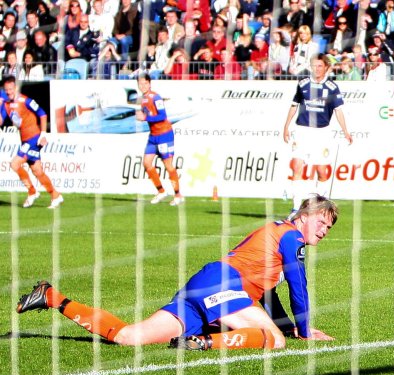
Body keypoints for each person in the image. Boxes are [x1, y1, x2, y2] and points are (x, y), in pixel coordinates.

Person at [16, 196, 339, 350]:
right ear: (304, 216)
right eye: (322, 222)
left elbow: (267, 294)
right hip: (222, 285)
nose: (325, 230)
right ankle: (203, 342)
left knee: (130, 337)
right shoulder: (292, 236)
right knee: (275, 341)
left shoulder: (278, 232)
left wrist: (289, 323)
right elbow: (299, 285)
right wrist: (305, 328)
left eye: (329, 226)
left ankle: (52, 297)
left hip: (207, 284)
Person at [283, 53, 353, 216]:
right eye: (314, 65)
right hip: (302, 130)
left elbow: (338, 111)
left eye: (320, 66)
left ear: (326, 67)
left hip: (321, 133)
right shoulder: (303, 84)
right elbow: (294, 105)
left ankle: (321, 204)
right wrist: (286, 126)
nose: (316, 69)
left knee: (322, 171)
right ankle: (295, 208)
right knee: (297, 166)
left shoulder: (332, 87)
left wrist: (346, 131)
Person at [4, 74, 63, 209]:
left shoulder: (26, 101)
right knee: (37, 171)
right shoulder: (7, 105)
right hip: (25, 140)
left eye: (11, 89)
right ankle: (55, 195)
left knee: (14, 164)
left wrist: (43, 134)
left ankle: (32, 191)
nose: (9, 92)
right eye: (6, 90)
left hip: (34, 139)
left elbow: (42, 114)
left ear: (15, 88)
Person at [135, 73, 183, 206]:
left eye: (145, 83)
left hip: (164, 134)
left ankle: (178, 194)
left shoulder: (156, 97)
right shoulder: (142, 99)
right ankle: (161, 191)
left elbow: (163, 116)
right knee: (146, 163)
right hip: (153, 135)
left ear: (150, 84)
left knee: (168, 165)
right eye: (140, 83)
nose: (143, 86)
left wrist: (145, 118)